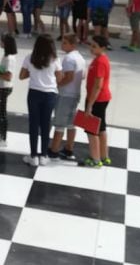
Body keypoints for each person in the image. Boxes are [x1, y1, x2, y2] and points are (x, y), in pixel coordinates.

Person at [19, 33, 61, 167]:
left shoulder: (30, 58)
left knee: (33, 124)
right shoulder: (55, 59)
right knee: (46, 123)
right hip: (50, 94)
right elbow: (59, 78)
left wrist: (34, 74)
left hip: (34, 93)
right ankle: (43, 155)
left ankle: (33, 156)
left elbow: (22, 76)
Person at [48, 34, 86, 162]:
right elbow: (82, 76)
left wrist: (57, 84)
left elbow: (68, 77)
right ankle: (69, 148)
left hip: (65, 95)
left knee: (59, 122)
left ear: (72, 44)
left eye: (65, 43)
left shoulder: (69, 59)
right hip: (75, 94)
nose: (62, 45)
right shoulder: (81, 58)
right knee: (71, 123)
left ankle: (54, 150)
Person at [82, 36, 113, 167]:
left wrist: (90, 104)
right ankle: (103, 156)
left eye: (94, 46)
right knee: (101, 128)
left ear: (102, 48)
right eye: (91, 45)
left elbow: (98, 85)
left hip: (97, 99)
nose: (91, 48)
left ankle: (95, 159)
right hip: (102, 98)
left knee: (91, 129)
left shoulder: (100, 61)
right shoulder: (101, 59)